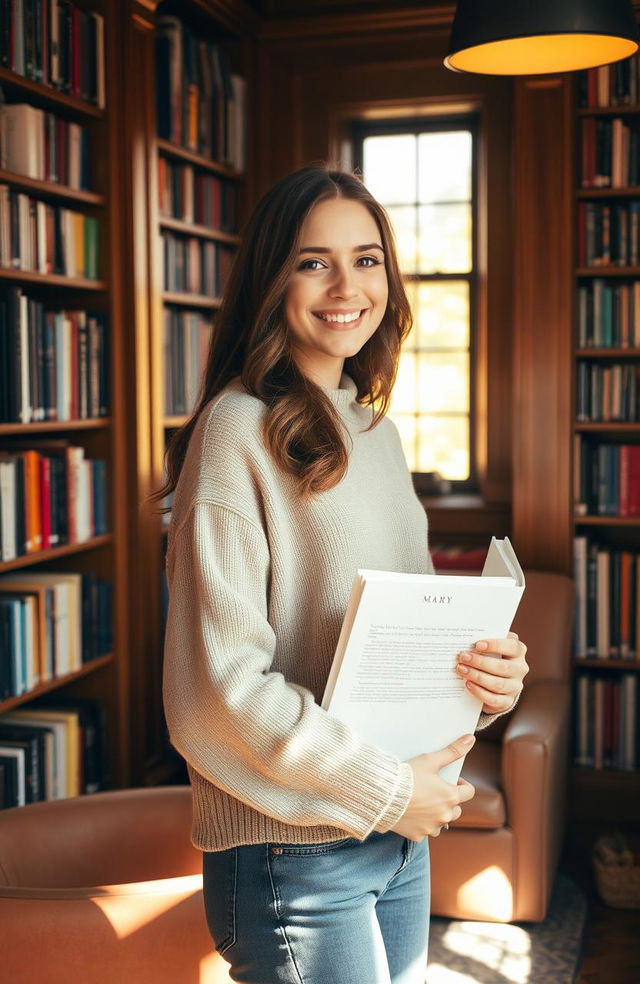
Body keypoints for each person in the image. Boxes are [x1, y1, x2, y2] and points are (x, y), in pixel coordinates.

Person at [157, 162, 529, 984]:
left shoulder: (375, 432)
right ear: (272, 277)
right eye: (311, 260)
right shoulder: (236, 431)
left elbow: (411, 637)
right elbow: (216, 690)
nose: (345, 285)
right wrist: (388, 791)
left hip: (396, 840)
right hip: (294, 851)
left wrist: (489, 674)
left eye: (366, 259)